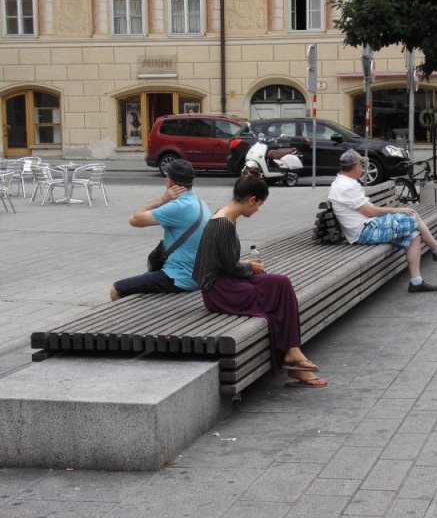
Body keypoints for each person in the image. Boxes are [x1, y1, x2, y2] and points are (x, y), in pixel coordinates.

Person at [193, 170, 328, 388]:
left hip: (226, 282)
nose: (258, 209)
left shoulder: (226, 216)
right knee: (272, 301)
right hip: (218, 290)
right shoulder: (223, 223)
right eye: (259, 204)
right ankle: (294, 362)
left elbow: (228, 263)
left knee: (281, 283)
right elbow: (231, 267)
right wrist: (251, 267)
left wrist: (248, 267)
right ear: (251, 200)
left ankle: (293, 351)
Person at [328, 149, 437, 292]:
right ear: (356, 167)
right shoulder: (346, 187)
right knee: (412, 216)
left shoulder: (345, 182)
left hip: (368, 226)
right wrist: (397, 210)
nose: (363, 169)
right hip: (365, 231)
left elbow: (369, 211)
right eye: (362, 165)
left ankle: (416, 282)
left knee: (414, 237)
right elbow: (370, 212)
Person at [110, 159, 211, 300]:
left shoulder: (178, 206)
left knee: (116, 289)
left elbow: (134, 219)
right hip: (198, 274)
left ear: (169, 182)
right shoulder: (199, 203)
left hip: (180, 277)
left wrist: (161, 200)